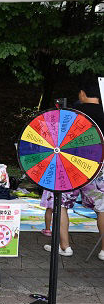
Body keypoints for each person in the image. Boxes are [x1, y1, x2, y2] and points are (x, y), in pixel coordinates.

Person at [41, 78, 104, 260]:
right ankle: (103, 251)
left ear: (83, 93)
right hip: (99, 165)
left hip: (69, 164)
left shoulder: (73, 113)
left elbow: (57, 137)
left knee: (60, 205)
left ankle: (65, 247)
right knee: (102, 208)